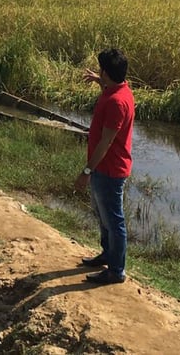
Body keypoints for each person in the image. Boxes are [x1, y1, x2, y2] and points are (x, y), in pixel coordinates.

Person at [74, 48, 135, 285]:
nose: (99, 73)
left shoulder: (117, 102)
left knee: (114, 221)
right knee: (104, 217)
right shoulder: (118, 91)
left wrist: (86, 171)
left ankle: (116, 270)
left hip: (109, 170)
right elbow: (109, 88)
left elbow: (106, 142)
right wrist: (100, 81)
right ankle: (107, 255)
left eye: (101, 70)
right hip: (106, 169)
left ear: (107, 73)